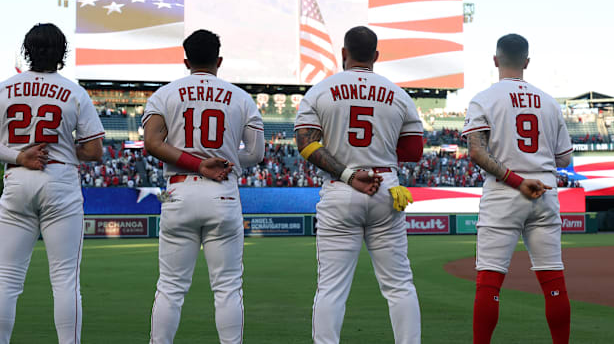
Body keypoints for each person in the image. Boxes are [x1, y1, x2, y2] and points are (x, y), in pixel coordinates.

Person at [0, 23, 105, 344]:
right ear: (62, 54)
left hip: (17, 180)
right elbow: (94, 150)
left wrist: (17, 156)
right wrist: (61, 147)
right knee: (65, 280)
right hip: (59, 179)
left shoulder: (2, 88)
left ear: (27, 51)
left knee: (7, 279)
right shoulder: (73, 91)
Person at [295, 26, 424, 344]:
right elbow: (414, 151)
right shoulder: (398, 93)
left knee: (331, 288)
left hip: (342, 187)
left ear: (343, 53)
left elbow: (305, 144)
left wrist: (349, 173)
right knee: (399, 285)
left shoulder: (320, 90)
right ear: (376, 56)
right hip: (386, 186)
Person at [143, 29, 265, 344]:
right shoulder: (241, 97)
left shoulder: (165, 94)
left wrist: (197, 163)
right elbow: (255, 153)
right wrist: (224, 160)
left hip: (179, 190)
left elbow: (152, 143)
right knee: (227, 288)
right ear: (219, 60)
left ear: (186, 60)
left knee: (170, 286)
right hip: (222, 192)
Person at [462, 34, 573, 344]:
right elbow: (564, 157)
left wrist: (516, 179)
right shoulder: (549, 101)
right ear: (526, 62)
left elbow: (476, 152)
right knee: (554, 281)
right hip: (545, 191)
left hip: (504, 193)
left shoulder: (484, 98)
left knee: (489, 281)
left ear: (496, 60)